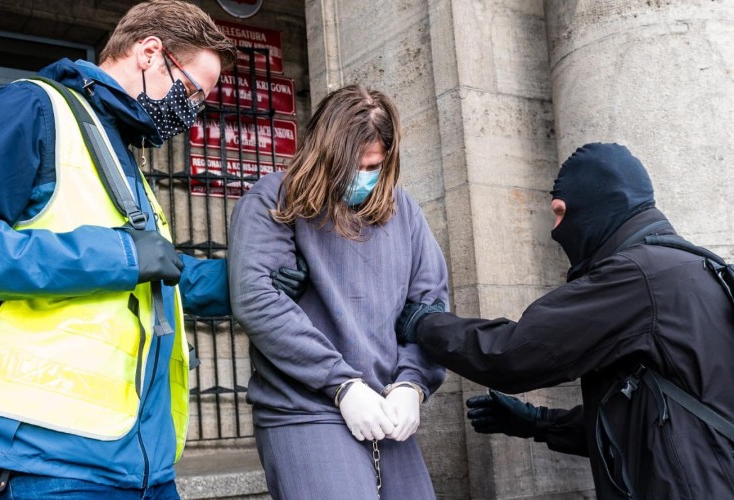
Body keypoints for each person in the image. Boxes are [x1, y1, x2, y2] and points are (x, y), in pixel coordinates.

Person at [0, 1, 303, 498]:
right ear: (150, 53)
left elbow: (158, 276)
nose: (192, 112)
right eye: (193, 93)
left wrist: (249, 284)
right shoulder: (32, 107)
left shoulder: (116, 150)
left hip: (138, 459)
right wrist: (121, 257)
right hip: (46, 453)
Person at [395, 142, 734, 499]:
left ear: (595, 205)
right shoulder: (696, 268)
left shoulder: (638, 278)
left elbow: (514, 353)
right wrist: (538, 423)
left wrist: (424, 323)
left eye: (560, 212)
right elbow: (649, 422)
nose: (556, 228)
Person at [229, 85, 449, 500]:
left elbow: (429, 305)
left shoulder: (406, 212)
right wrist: (342, 383)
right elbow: (258, 301)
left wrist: (412, 384)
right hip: (304, 408)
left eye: (375, 166)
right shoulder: (273, 201)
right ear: (324, 152)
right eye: (354, 166)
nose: (363, 177)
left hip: (385, 407)